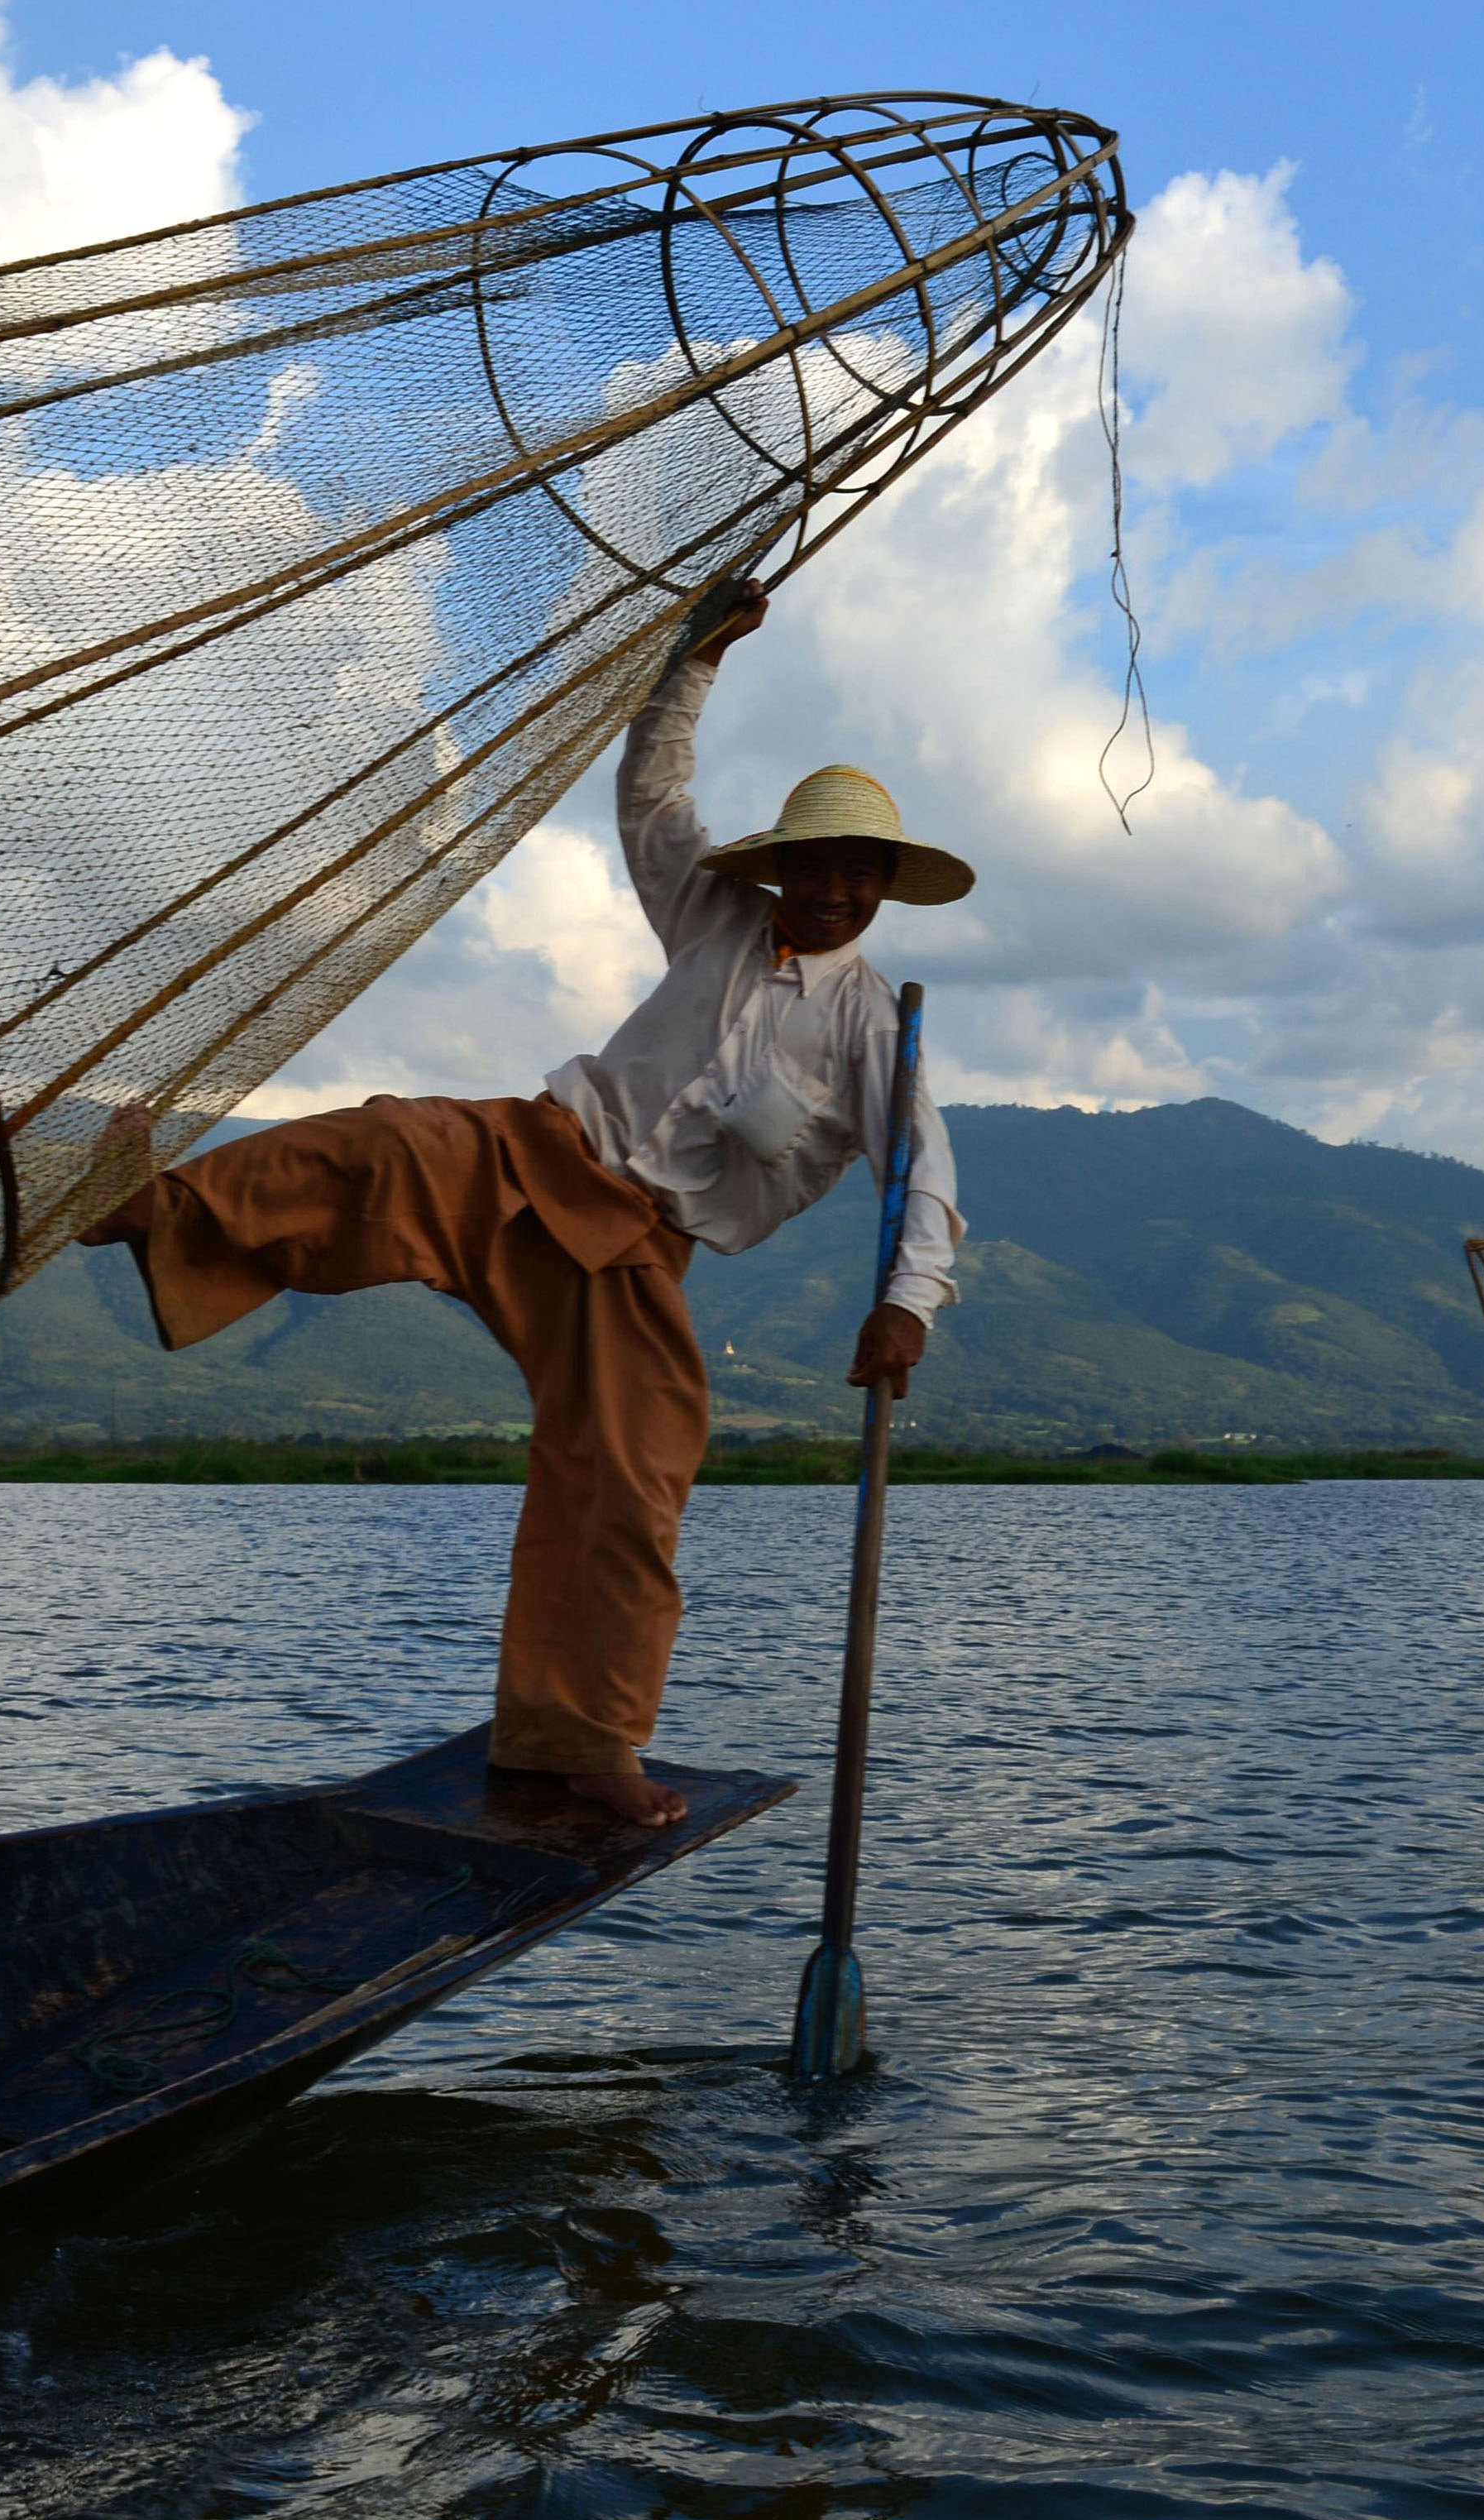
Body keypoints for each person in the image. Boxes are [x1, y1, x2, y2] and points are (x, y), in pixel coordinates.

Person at [76, 593, 962, 1826]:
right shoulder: (713, 915)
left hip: (635, 1253)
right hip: (544, 1148)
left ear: (881, 892)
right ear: (782, 869)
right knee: (384, 1143)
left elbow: (922, 1171)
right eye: (814, 866)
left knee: (631, 1481)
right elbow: (651, 802)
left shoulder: (871, 1021)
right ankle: (146, 1211)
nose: (832, 890)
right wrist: (691, 668)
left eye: (857, 875)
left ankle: (578, 1743)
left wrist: (905, 1306)